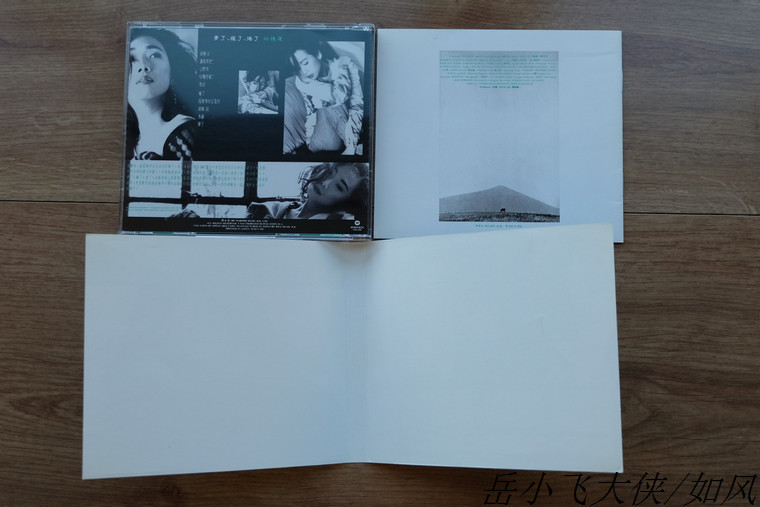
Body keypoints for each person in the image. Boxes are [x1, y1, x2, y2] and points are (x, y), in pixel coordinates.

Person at [126, 28, 197, 160]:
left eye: (154, 55)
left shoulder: (183, 132)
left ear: (173, 71)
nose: (144, 66)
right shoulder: (128, 144)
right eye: (131, 58)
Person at [283, 39, 364, 155]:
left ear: (318, 54)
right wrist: (352, 143)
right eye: (299, 68)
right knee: (327, 103)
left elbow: (357, 105)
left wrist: (353, 140)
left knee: (333, 101)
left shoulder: (344, 65)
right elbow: (314, 110)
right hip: (320, 137)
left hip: (346, 129)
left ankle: (352, 147)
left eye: (305, 63)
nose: (304, 71)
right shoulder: (303, 82)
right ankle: (353, 148)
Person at [247, 162, 369, 220]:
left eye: (339, 187)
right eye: (330, 172)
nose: (325, 182)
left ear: (347, 201)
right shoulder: (264, 209)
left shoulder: (340, 222)